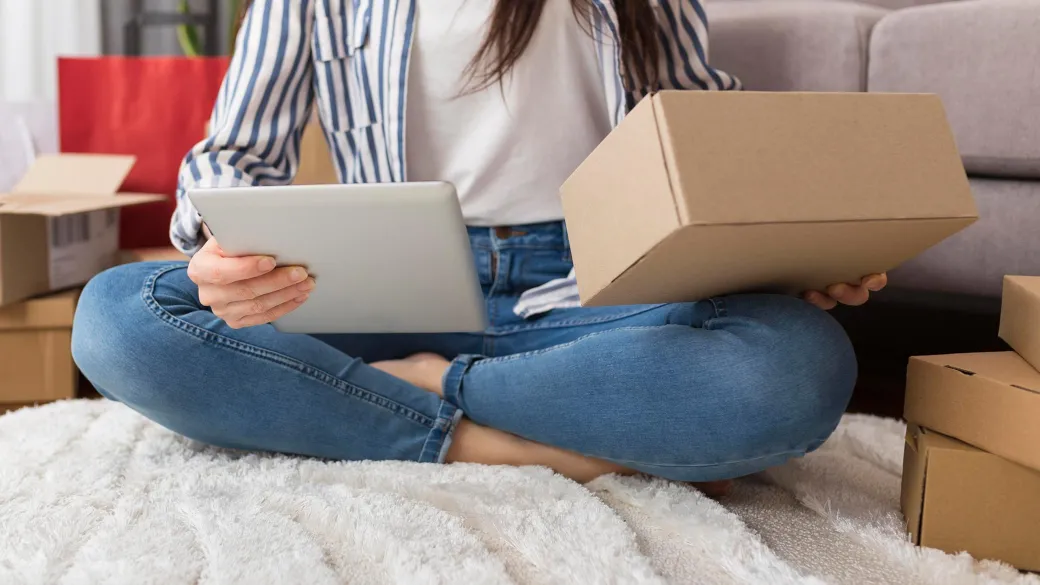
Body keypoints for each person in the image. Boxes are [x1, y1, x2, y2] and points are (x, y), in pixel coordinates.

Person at [72, 0, 886, 487]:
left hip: (590, 285)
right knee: (120, 314)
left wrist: (789, 242)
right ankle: (492, 439)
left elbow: (703, 134)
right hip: (380, 275)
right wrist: (223, 246)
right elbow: (233, 155)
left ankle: (425, 387)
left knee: (798, 361)